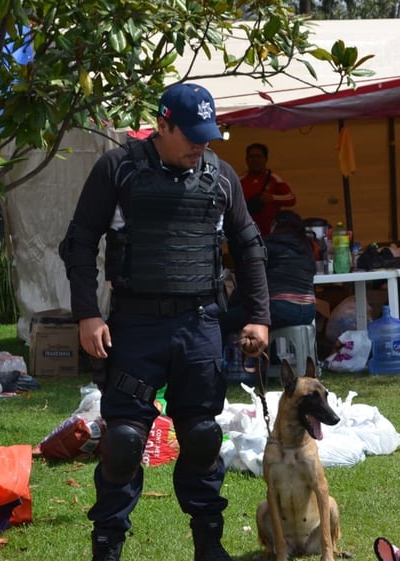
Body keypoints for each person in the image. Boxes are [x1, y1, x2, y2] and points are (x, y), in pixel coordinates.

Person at [58, 83, 270, 561]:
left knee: (201, 437)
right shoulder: (119, 169)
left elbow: (249, 245)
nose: (201, 144)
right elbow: (79, 242)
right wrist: (87, 313)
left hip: (199, 325)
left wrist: (259, 316)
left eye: (208, 135)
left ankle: (208, 545)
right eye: (191, 134)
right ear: (164, 123)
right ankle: (107, 547)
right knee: (124, 442)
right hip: (135, 325)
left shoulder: (220, 176)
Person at [221, 210, 316, 340]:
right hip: (309, 311)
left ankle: (225, 359)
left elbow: (250, 279)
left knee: (223, 320)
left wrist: (231, 303)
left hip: (280, 309)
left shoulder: (268, 244)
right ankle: (275, 357)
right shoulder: (308, 247)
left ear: (275, 225)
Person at [240, 143, 296, 235]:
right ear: (246, 159)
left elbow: (291, 198)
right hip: (247, 232)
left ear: (265, 159)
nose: (255, 160)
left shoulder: (274, 178)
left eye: (258, 156)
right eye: (251, 157)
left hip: (271, 233)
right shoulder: (240, 180)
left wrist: (272, 198)